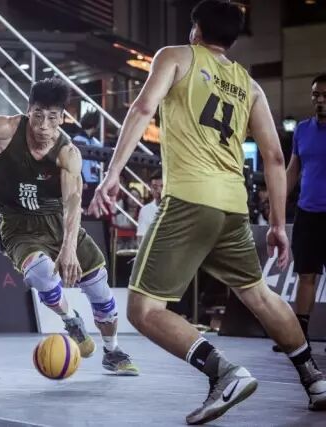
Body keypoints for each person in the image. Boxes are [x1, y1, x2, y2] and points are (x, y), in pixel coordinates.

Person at [87, 0, 326, 423]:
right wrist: (276, 223)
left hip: (189, 200)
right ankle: (315, 380)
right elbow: (275, 158)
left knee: (143, 310)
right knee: (259, 295)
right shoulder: (249, 85)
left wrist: (112, 174)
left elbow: (142, 108)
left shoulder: (175, 57)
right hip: (233, 207)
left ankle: (223, 373)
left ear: (196, 30)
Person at [0, 77, 138, 375]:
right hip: (18, 226)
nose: (44, 125)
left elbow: (73, 201)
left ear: (62, 118)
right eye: (38, 115)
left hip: (58, 223)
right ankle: (71, 319)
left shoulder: (67, 152)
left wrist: (69, 248)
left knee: (100, 292)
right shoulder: (7, 129)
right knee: (41, 272)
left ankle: (112, 351)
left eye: (52, 117)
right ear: (28, 110)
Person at [275, 73, 326, 353]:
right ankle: (299, 338)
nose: (320, 100)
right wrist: (277, 201)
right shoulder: (303, 130)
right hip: (307, 214)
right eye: (316, 95)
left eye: (325, 96)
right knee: (305, 275)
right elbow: (293, 169)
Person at [135, 170, 163, 244]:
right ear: (150, 188)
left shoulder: (175, 208)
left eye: (162, 186)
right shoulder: (145, 210)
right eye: (155, 187)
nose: (159, 191)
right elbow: (141, 237)